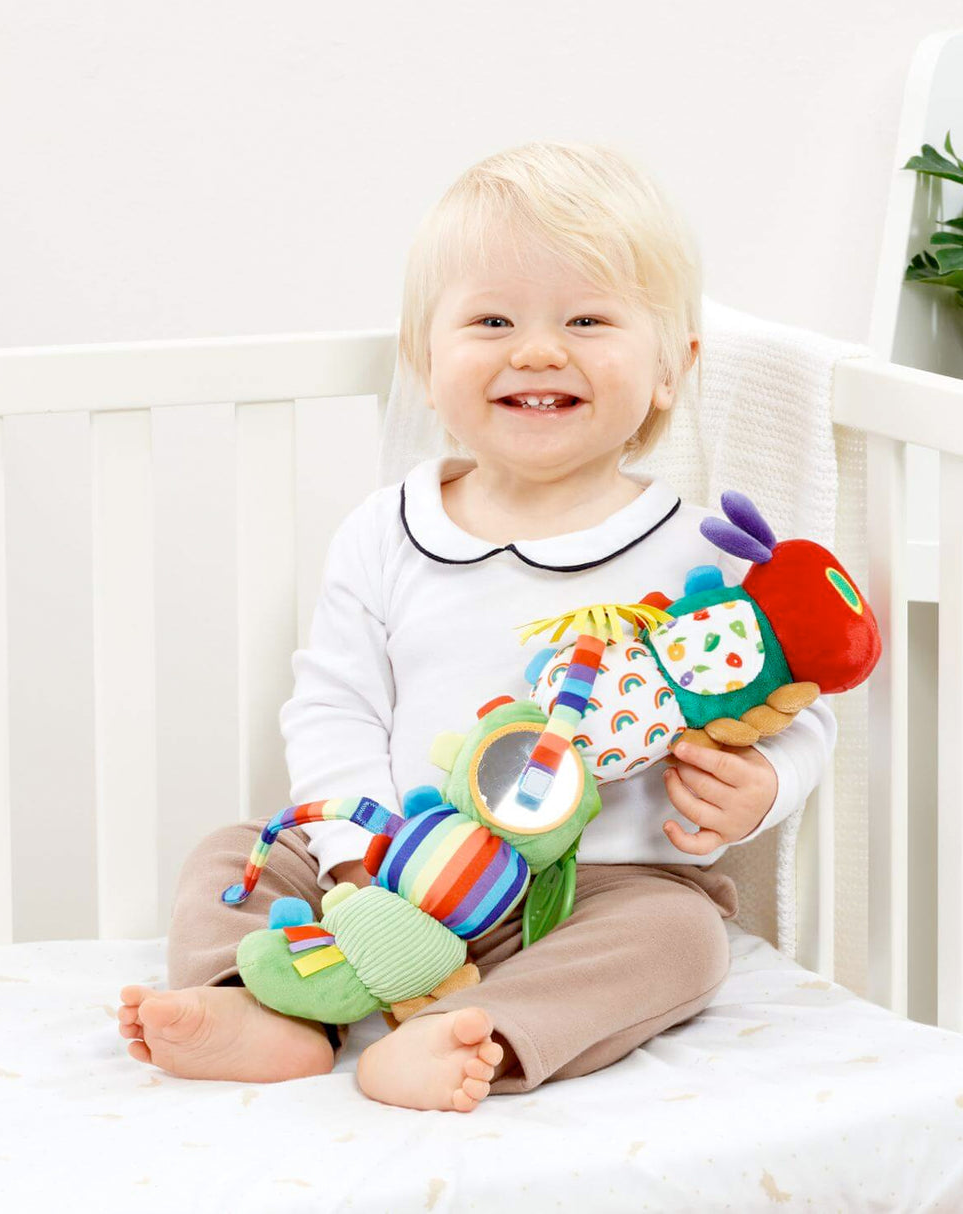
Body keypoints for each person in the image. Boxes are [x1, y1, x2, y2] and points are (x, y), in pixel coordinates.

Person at [117, 140, 837, 1112]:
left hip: (596, 886)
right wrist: (356, 849)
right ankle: (260, 1006)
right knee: (231, 850)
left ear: (672, 368)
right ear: (423, 364)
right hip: (393, 861)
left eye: (586, 319)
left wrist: (760, 783)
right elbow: (334, 701)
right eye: (491, 319)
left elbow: (785, 708)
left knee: (681, 938)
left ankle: (483, 1034)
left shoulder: (697, 555)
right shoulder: (386, 530)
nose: (536, 349)